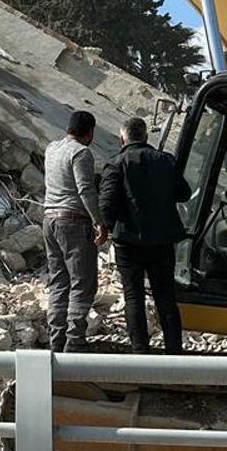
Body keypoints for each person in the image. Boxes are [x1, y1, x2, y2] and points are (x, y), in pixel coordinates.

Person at [99, 116, 191, 354]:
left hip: (127, 242)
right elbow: (184, 193)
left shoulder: (116, 164)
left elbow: (106, 204)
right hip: (162, 241)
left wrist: (102, 230)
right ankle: (175, 353)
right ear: (146, 137)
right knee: (166, 298)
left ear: (122, 139)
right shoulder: (166, 161)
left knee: (133, 297)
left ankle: (140, 354)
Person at [43, 110, 107, 352]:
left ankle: (56, 339)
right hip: (73, 223)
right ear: (90, 133)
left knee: (59, 280)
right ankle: (75, 341)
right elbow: (85, 190)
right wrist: (99, 221)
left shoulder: (52, 149)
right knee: (82, 282)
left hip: (49, 221)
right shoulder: (82, 153)